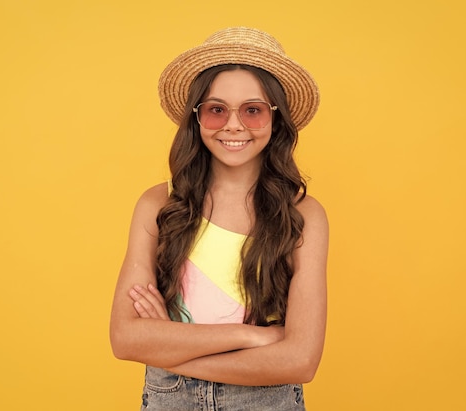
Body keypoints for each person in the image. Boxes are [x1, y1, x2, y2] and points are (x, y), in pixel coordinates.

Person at [109, 27, 329, 410]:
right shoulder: (158, 205)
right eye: (216, 109)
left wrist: (169, 342)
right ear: (196, 118)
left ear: (276, 119)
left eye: (252, 110)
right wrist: (252, 337)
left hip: (266, 402)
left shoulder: (302, 216)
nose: (233, 125)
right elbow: (126, 339)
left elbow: (300, 360)